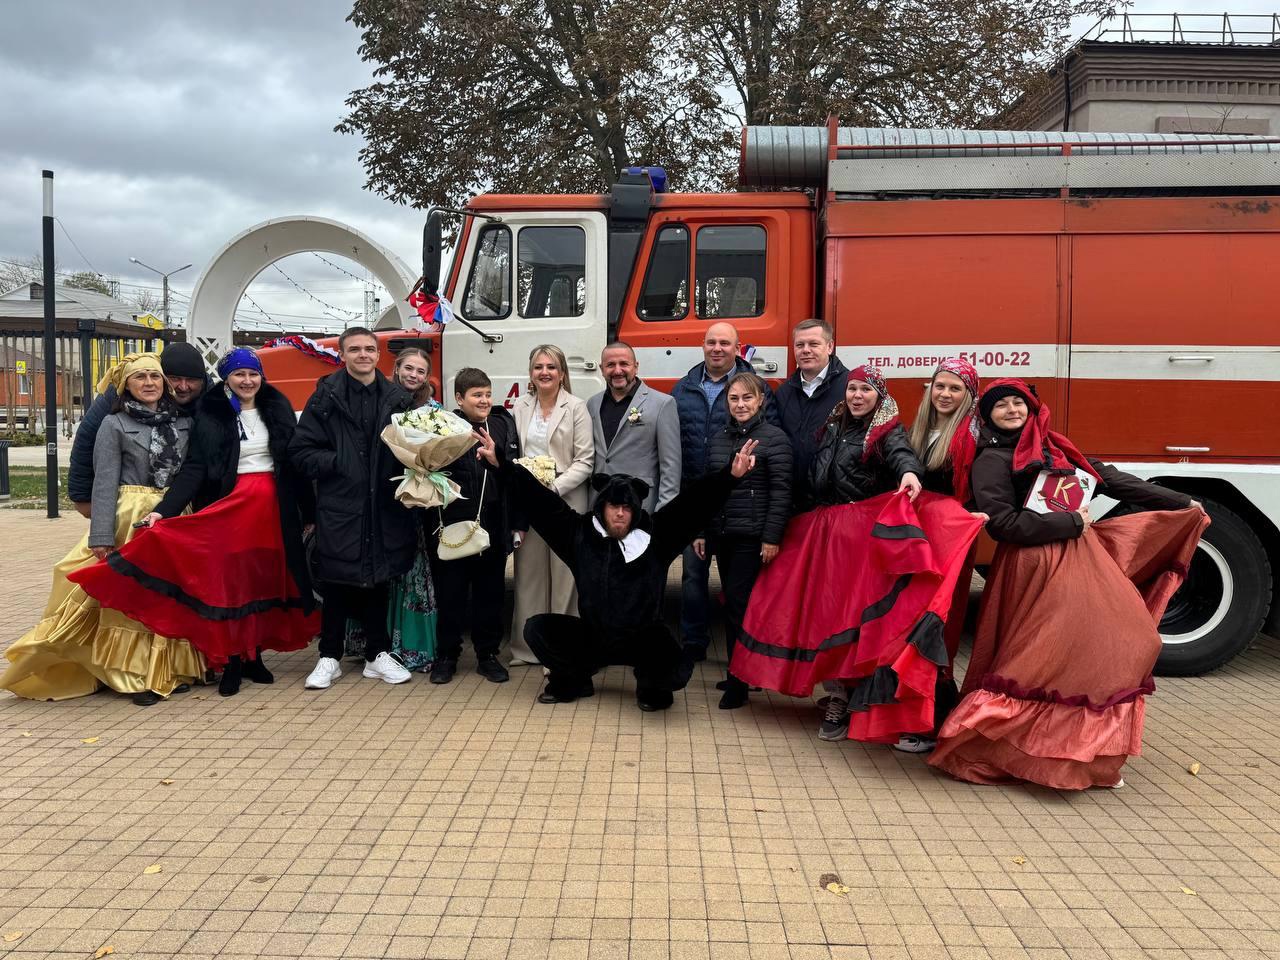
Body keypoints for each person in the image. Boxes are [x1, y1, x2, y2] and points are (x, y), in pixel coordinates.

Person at [928, 379, 1208, 790]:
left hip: (1079, 558)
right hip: (1033, 564)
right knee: (1040, 657)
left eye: (1017, 403)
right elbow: (1003, 524)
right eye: (999, 405)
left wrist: (1179, 501)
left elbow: (1109, 478)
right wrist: (1071, 522)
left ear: (1032, 408)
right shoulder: (992, 459)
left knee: (1124, 639)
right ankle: (1008, 749)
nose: (1010, 410)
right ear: (986, 415)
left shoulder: (1055, 448)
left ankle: (1076, 750)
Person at [729, 366, 984, 746]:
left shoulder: (886, 431)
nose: (857, 396)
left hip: (858, 537)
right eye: (852, 389)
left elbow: (902, 457)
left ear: (878, 396)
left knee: (847, 619)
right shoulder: (833, 425)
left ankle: (843, 698)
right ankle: (835, 693)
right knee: (816, 615)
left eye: (866, 390)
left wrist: (910, 475)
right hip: (824, 531)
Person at [69, 348, 320, 697]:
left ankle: (254, 656)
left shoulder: (277, 408)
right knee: (231, 583)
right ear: (226, 379)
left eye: (253, 374)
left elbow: (295, 464)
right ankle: (231, 659)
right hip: (229, 507)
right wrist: (165, 511)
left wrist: (308, 513)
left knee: (263, 578)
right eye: (239, 375)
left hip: (273, 508)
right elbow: (195, 467)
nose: (247, 381)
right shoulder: (211, 412)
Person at [500, 435, 761, 712]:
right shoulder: (580, 535)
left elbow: (693, 505)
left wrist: (729, 477)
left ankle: (649, 686)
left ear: (635, 510)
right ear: (602, 507)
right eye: (614, 507)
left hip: (642, 639)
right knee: (537, 629)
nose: (620, 514)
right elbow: (541, 503)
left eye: (626, 508)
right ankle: (574, 679)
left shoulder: (656, 536)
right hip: (594, 637)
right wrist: (501, 466)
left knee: (673, 667)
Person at [0, 354, 203, 705]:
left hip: (173, 517)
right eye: (139, 377)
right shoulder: (114, 424)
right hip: (130, 518)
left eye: (155, 376)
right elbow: (105, 481)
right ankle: (135, 674)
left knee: (169, 596)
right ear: (126, 385)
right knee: (132, 597)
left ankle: (169, 668)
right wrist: (101, 535)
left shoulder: (184, 422)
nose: (149, 383)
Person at [290, 326, 416, 691]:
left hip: (383, 505)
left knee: (378, 579)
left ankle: (378, 655)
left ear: (379, 356)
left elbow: (411, 447)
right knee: (337, 581)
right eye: (355, 350)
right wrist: (338, 461)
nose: (363, 355)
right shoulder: (326, 397)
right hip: (341, 504)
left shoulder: (397, 398)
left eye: (369, 349)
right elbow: (301, 451)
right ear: (342, 355)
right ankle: (329, 656)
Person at [671, 322, 781, 663]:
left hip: (740, 504)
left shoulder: (755, 387)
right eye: (711, 342)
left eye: (724, 343)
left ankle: (746, 657)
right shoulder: (684, 388)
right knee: (692, 575)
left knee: (739, 588)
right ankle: (693, 642)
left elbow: (770, 440)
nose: (717, 348)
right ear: (702, 347)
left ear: (737, 347)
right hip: (697, 498)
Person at [897, 358, 985, 753]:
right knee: (911, 622)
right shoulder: (919, 431)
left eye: (955, 388)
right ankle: (909, 713)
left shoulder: (971, 435)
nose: (945, 395)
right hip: (919, 542)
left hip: (950, 544)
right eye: (940, 387)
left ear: (968, 395)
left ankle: (930, 722)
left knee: (940, 625)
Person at [691, 372, 792, 709]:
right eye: (734, 399)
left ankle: (739, 683)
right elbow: (711, 487)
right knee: (734, 604)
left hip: (753, 536)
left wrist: (771, 537)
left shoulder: (774, 439)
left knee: (738, 604)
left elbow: (781, 492)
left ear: (760, 400)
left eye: (747, 398)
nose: (740, 404)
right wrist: (703, 530)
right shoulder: (719, 438)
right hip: (724, 534)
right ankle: (741, 671)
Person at [343, 346, 441, 672]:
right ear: (397, 368)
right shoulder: (378, 400)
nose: (414, 375)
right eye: (408, 368)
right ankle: (374, 644)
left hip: (414, 502)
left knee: (411, 569)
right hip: (379, 499)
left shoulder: (432, 409)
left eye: (420, 371)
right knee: (379, 572)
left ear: (427, 377)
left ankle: (410, 648)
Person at [429, 367, 520, 685]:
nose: (483, 400)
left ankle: (487, 655)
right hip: (453, 519)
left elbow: (514, 471)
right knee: (450, 593)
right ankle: (446, 656)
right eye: (476, 395)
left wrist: (515, 523)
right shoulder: (443, 426)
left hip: (493, 519)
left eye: (486, 394)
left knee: (490, 593)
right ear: (459, 398)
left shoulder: (501, 422)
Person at [507, 345, 594, 667]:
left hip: (565, 500)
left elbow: (586, 461)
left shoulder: (577, 408)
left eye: (551, 367)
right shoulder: (519, 406)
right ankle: (527, 648)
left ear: (562, 373)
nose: (545, 372)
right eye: (538, 367)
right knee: (528, 575)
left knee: (565, 578)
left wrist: (553, 489)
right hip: (530, 502)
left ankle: (561, 652)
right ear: (531, 373)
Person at [69, 341, 209, 517]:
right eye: (174, 378)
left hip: (181, 503)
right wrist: (81, 495)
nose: (183, 386)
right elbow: (87, 440)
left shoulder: (210, 402)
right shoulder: (118, 398)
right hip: (131, 507)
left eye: (191, 380)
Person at [586, 341, 680, 512]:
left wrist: (665, 511)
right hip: (600, 504)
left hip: (640, 504)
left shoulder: (663, 404)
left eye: (624, 364)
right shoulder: (593, 404)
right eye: (610, 365)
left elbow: (670, 466)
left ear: (636, 367)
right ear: (601, 369)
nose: (617, 370)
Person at [774, 319, 848, 509]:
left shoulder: (850, 388)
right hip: (793, 501)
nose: (805, 350)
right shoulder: (784, 393)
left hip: (834, 501)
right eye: (800, 345)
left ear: (830, 346)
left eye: (813, 344)